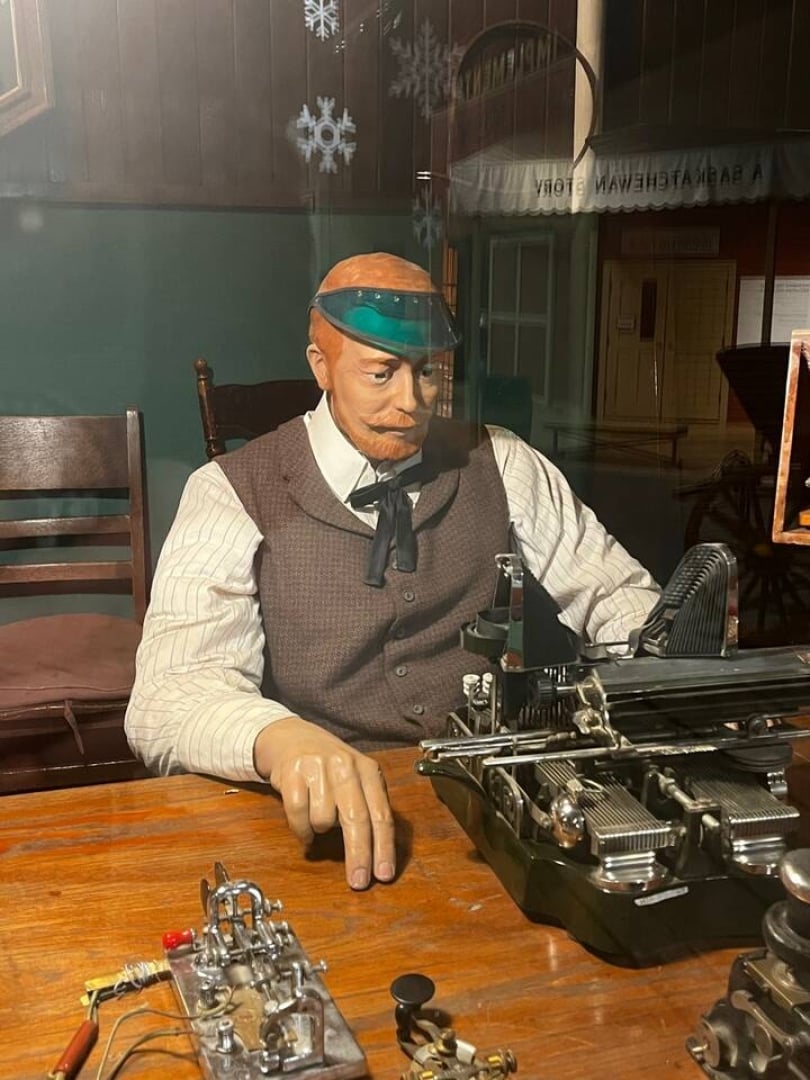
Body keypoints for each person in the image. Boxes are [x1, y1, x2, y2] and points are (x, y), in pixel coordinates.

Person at [126, 252, 659, 892]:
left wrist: (669, 663)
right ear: (320, 365)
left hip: (498, 805)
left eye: (427, 373)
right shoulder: (230, 491)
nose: (410, 403)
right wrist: (277, 737)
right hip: (326, 828)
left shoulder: (503, 460)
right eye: (380, 373)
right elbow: (166, 699)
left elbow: (615, 592)